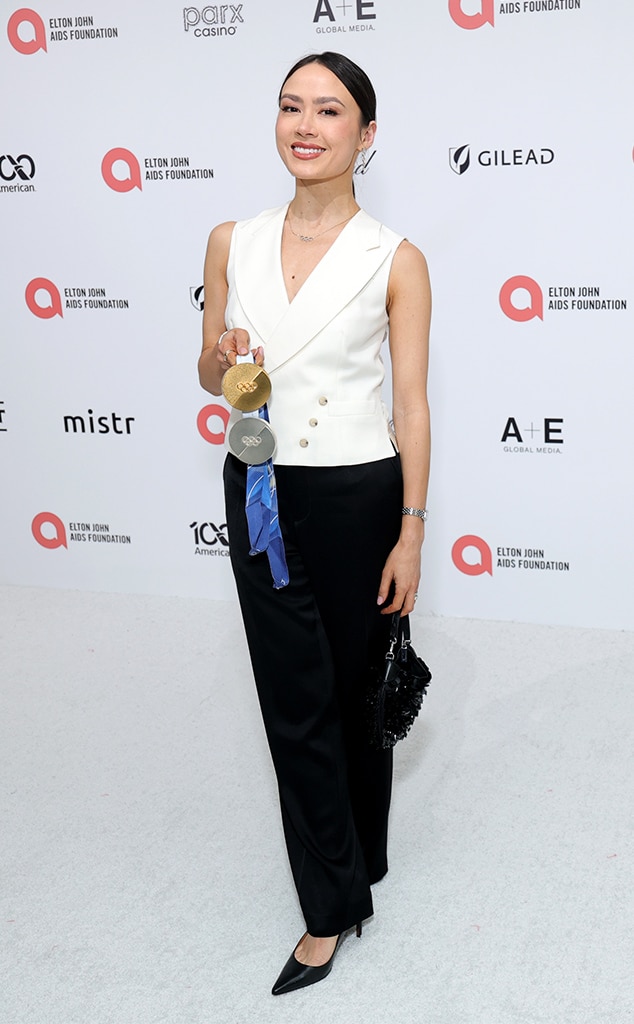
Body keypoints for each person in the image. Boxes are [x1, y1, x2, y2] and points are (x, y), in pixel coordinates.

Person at [198, 51, 431, 995]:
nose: (305, 125)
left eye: (329, 111)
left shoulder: (394, 258)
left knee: (354, 685)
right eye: (291, 106)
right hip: (259, 484)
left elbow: (410, 404)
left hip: (358, 493)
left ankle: (364, 848)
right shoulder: (232, 239)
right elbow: (209, 374)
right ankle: (331, 906)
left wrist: (412, 530)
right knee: (295, 696)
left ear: (365, 134)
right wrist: (222, 357)